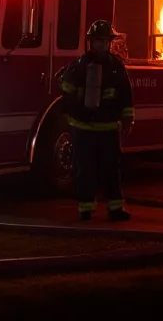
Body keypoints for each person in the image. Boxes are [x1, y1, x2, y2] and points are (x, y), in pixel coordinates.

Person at [59, 19, 135, 222]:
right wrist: (79, 112)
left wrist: (128, 120)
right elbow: (66, 96)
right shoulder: (78, 67)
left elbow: (126, 95)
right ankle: (85, 210)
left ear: (109, 43)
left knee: (111, 169)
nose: (101, 45)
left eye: (104, 41)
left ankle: (115, 209)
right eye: (97, 41)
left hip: (108, 128)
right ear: (90, 42)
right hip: (83, 128)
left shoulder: (117, 67)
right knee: (85, 170)